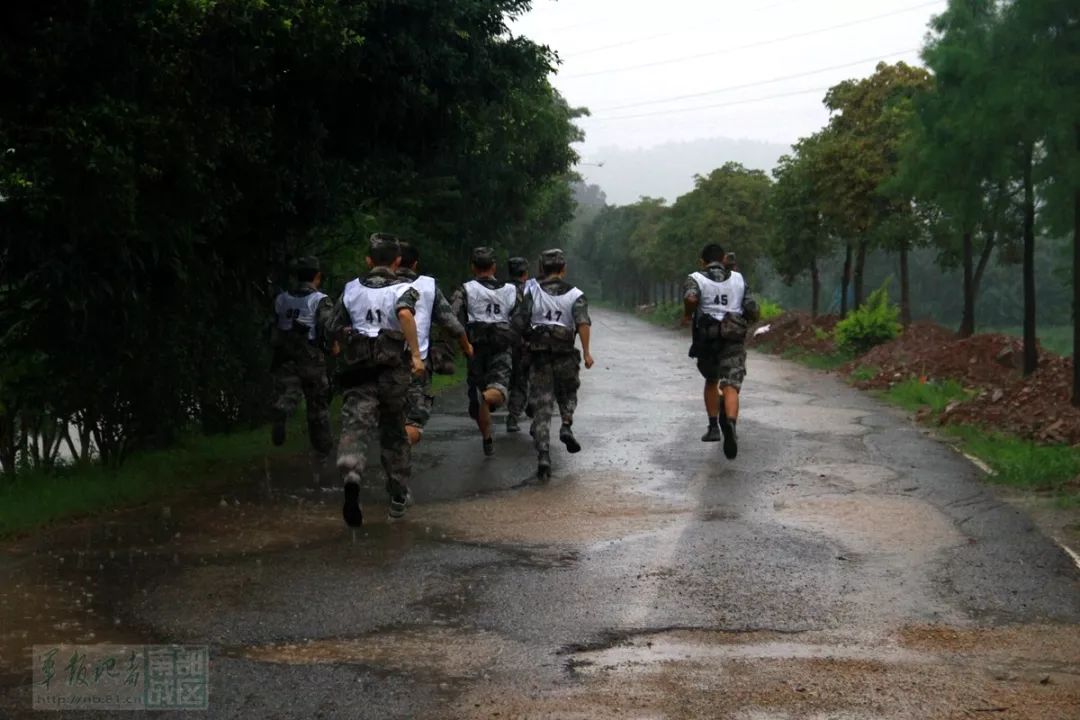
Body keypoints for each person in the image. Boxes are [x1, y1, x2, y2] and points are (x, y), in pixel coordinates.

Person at [325, 234, 425, 526]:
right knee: (394, 432)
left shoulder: (351, 289)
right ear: (397, 261)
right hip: (392, 374)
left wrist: (339, 343)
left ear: (368, 260)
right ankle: (396, 494)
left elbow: (332, 325)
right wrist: (416, 355)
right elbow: (405, 314)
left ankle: (352, 471)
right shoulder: (405, 289)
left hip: (359, 372)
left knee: (355, 424)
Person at [512, 248, 594, 480]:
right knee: (568, 393)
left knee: (542, 406)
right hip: (565, 355)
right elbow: (583, 323)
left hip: (539, 358)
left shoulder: (532, 292)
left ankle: (544, 455)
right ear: (563, 268)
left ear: (541, 269)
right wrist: (587, 352)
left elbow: (518, 322)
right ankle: (566, 424)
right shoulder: (576, 294)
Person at [681, 242, 759, 459]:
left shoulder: (695, 278)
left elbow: (690, 298)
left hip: (707, 339)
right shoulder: (738, 278)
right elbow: (753, 309)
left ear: (702, 262)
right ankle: (731, 425)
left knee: (711, 380)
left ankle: (714, 427)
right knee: (731, 384)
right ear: (724, 258)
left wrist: (688, 314)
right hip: (733, 338)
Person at [396, 241, 474, 446]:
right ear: (415, 264)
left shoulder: (367, 285)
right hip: (415, 363)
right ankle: (398, 448)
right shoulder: (427, 286)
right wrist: (466, 346)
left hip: (376, 362)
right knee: (414, 418)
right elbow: (451, 323)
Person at [450, 247, 519, 457]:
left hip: (475, 348)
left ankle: (487, 436)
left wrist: (461, 343)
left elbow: (452, 316)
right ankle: (489, 397)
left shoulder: (465, 289)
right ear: (494, 267)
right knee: (498, 389)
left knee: (477, 399)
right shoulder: (511, 290)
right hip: (501, 346)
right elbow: (520, 318)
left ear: (473, 267)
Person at [269, 256, 334, 461]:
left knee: (290, 391)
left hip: (286, 354)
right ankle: (322, 450)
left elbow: (274, 324)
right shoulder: (319, 300)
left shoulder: (282, 299)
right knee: (317, 404)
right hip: (311, 355)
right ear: (317, 276)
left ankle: (282, 409)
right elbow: (327, 326)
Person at [505, 256, 532, 433]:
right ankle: (513, 417)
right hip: (524, 342)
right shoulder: (531, 291)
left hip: (503, 340)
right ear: (526, 272)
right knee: (521, 381)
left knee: (504, 376)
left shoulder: (502, 289)